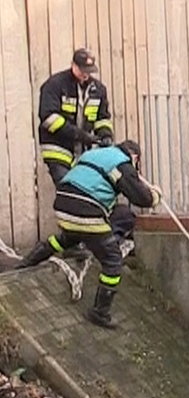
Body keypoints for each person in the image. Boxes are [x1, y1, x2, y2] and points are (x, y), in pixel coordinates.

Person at [16, 141, 160, 328]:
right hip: (87, 210)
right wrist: (155, 195)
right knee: (112, 260)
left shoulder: (94, 154)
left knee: (68, 238)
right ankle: (100, 312)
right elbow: (142, 199)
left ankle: (26, 263)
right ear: (135, 157)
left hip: (63, 204)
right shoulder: (123, 164)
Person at [38, 48, 114, 186]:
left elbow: (102, 118)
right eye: (82, 70)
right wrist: (80, 135)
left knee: (85, 188)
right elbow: (49, 119)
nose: (86, 74)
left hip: (84, 150)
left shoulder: (98, 89)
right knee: (68, 187)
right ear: (73, 65)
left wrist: (105, 134)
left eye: (89, 70)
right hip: (58, 148)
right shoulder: (55, 85)